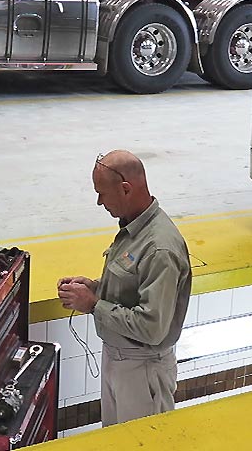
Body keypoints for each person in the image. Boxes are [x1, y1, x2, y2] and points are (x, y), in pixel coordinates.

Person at [57, 150, 192, 427]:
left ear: (126, 189)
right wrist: (93, 288)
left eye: (102, 193)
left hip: (142, 370)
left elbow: (152, 327)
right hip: (119, 359)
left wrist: (94, 304)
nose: (99, 202)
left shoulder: (160, 248)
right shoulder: (133, 228)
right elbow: (131, 287)